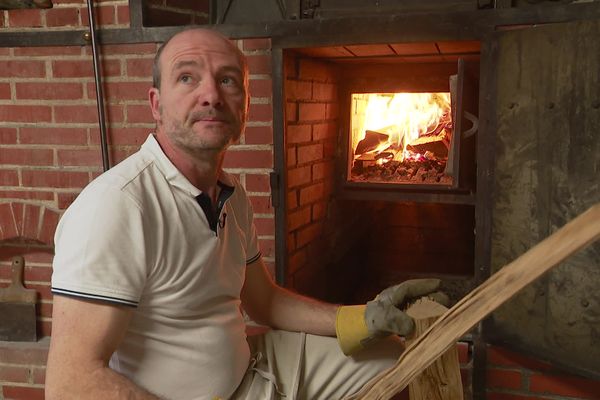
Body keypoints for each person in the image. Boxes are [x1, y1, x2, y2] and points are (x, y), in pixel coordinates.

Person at [45, 27, 443, 400]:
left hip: (253, 369)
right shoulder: (117, 206)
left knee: (395, 355)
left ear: (245, 105)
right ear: (156, 104)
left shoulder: (229, 194)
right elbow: (71, 383)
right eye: (187, 78)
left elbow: (264, 301)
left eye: (228, 80)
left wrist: (363, 319)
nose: (212, 96)